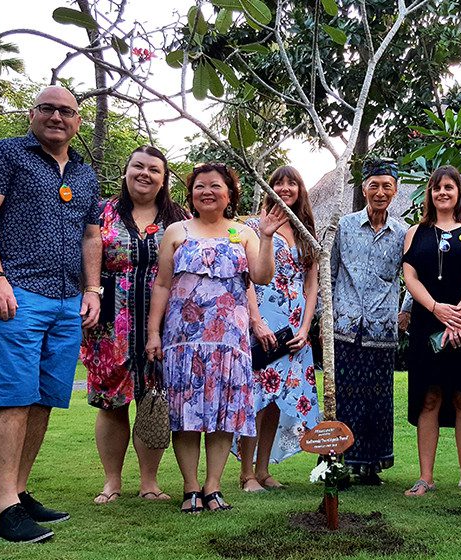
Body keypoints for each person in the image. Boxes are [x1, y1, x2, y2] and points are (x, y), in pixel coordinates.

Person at [0, 86, 100, 543]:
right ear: (33, 113)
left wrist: (93, 289)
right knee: (13, 396)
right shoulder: (3, 155)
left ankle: (20, 493)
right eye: (48, 108)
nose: (57, 117)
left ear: (78, 120)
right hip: (17, 292)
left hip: (67, 300)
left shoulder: (85, 173)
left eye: (67, 111)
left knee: (44, 399)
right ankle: (5, 509)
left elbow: (90, 236)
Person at [146, 162, 285, 513]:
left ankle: (213, 486)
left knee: (224, 415)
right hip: (183, 338)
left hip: (230, 341)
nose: (207, 192)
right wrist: (153, 332)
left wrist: (266, 237)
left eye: (215, 186)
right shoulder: (177, 231)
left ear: (229, 194)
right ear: (191, 194)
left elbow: (262, 277)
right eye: (199, 187)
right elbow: (162, 284)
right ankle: (190, 487)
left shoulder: (244, 233)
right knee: (186, 413)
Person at [80, 145, 188, 504]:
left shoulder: (179, 218)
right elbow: (84, 256)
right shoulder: (102, 213)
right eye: (138, 167)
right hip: (110, 321)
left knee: (153, 399)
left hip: (164, 322)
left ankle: (149, 482)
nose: (145, 174)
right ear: (125, 171)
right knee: (111, 402)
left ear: (163, 178)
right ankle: (112, 481)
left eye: (154, 169)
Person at [236, 166, 321, 492]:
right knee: (255, 397)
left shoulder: (304, 230)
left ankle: (264, 470)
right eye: (278, 183)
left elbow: (312, 285)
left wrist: (306, 326)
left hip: (294, 323)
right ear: (269, 188)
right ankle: (246, 474)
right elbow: (245, 277)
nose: (285, 188)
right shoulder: (252, 227)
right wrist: (256, 321)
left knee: (276, 399)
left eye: (291, 183)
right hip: (263, 317)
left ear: (300, 189)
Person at [401, 166, 461, 497]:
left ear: (459, 191)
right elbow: (410, 277)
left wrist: (460, 313)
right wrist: (436, 308)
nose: (443, 193)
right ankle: (426, 477)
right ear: (429, 194)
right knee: (429, 397)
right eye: (437, 188)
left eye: (449, 187)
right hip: (427, 323)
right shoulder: (415, 232)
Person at [330, 159, 407, 485]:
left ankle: (370, 466)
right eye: (373, 185)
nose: (379, 192)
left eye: (386, 186)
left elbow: (415, 276)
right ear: (363, 189)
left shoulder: (403, 232)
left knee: (377, 399)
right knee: (345, 397)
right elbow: (330, 272)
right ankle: (339, 464)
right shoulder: (344, 226)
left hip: (382, 328)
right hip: (345, 326)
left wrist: (406, 310)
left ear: (395, 190)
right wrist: (326, 315)